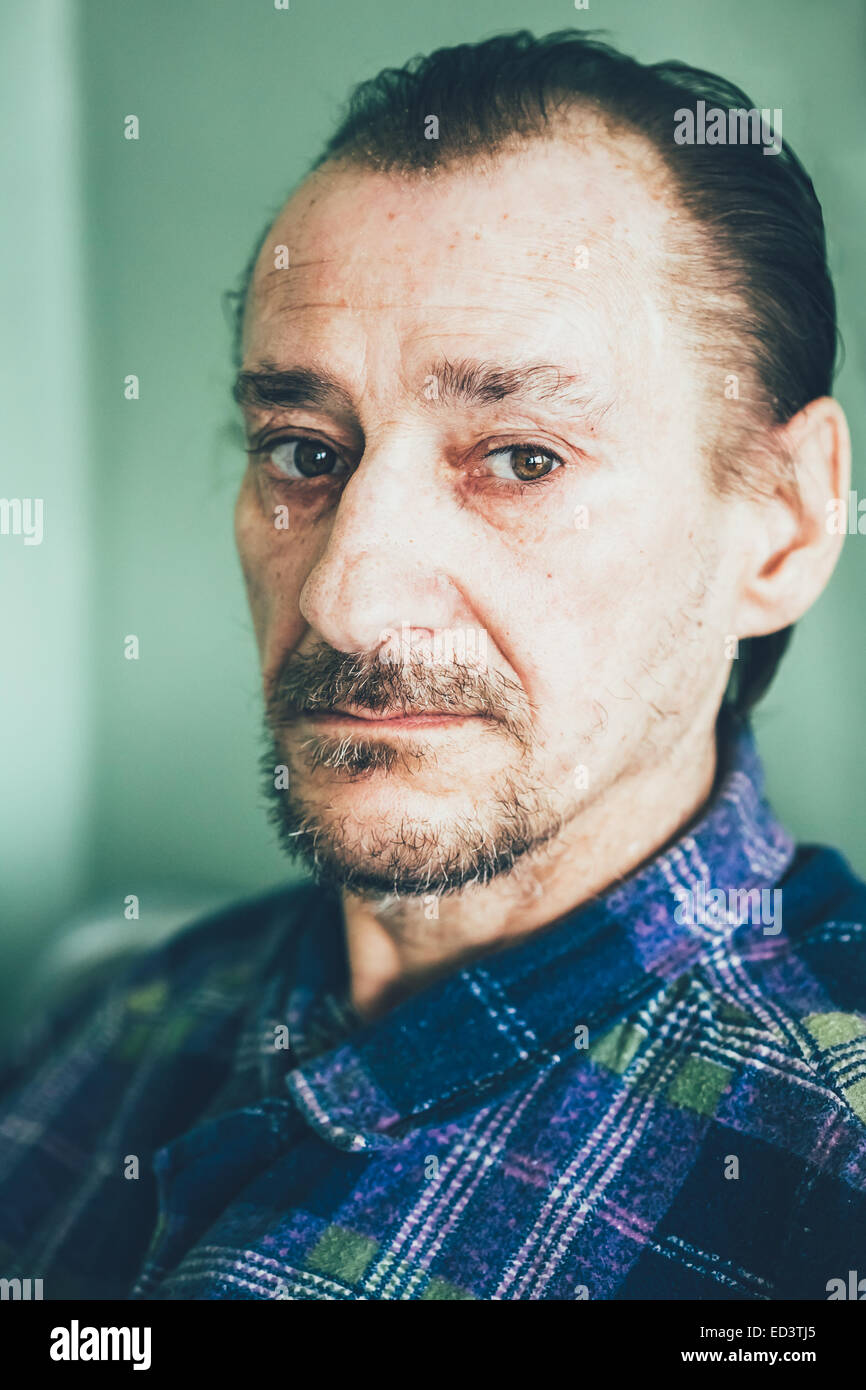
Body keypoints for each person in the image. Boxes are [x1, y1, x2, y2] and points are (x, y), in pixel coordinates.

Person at [1, 29, 864, 1302]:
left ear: (784, 523)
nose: (345, 602)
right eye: (302, 449)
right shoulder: (110, 1017)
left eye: (519, 458)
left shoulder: (824, 1169)